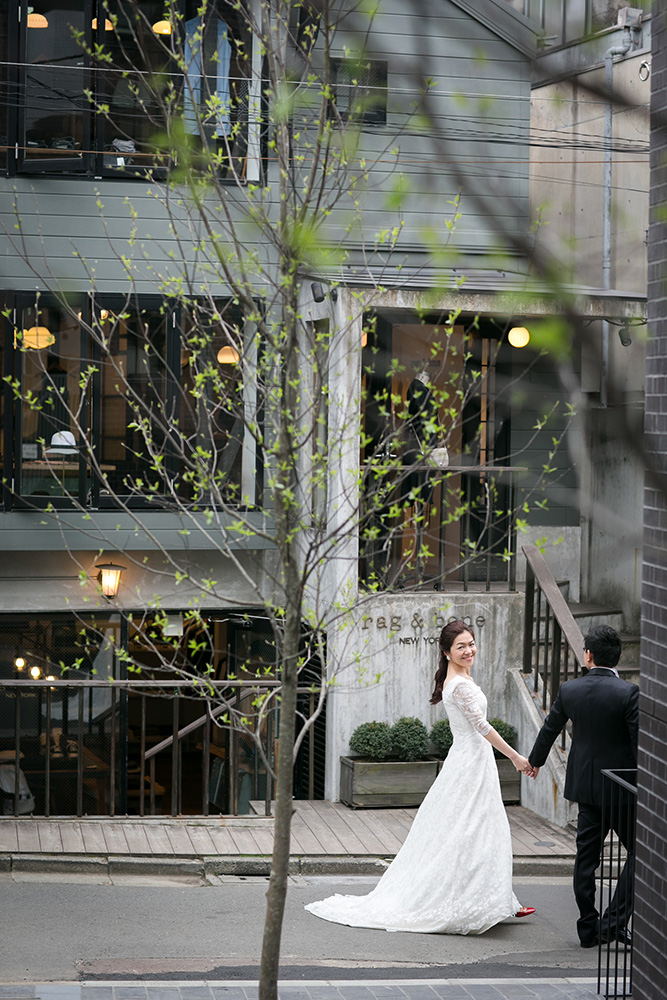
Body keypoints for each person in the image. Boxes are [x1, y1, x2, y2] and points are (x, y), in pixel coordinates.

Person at [305, 620, 535, 934]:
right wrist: (516, 757)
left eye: (471, 644)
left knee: (483, 828)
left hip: (473, 761)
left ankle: (498, 899)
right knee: (471, 831)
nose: (469, 651)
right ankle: (475, 902)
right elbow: (482, 728)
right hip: (469, 763)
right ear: (446, 651)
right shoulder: (459, 685)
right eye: (461, 647)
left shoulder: (459, 677)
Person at [527, 624, 639, 949]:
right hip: (621, 790)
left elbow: (550, 730)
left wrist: (534, 762)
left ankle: (588, 928)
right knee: (640, 853)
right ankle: (614, 923)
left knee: (586, 860)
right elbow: (638, 744)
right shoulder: (629, 693)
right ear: (617, 657)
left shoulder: (569, 690)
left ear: (588, 656)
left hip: (586, 791)